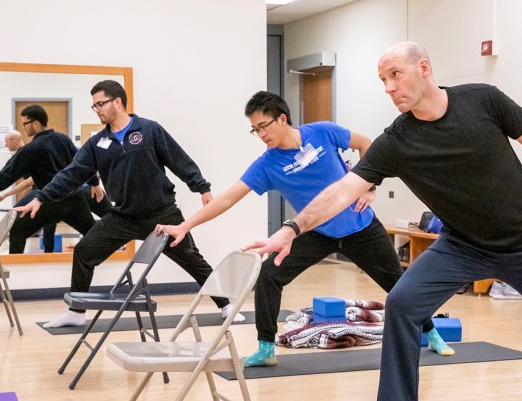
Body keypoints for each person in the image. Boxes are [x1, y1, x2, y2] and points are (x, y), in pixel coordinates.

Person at [246, 42, 522, 401]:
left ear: (424, 68)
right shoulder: (397, 141)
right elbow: (342, 191)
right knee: (402, 303)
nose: (389, 87)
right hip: (463, 245)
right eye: (383, 81)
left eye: (395, 76)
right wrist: (291, 228)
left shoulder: (483, 100)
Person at [156, 91, 454, 367]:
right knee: (269, 275)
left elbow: (367, 145)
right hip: (315, 233)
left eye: (264, 126)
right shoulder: (266, 165)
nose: (261, 135)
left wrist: (370, 185)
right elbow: (227, 199)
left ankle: (432, 334)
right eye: (255, 130)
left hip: (361, 227)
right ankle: (265, 348)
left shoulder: (323, 131)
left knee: (398, 285)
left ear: (281, 118)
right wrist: (185, 225)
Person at [15, 80, 243, 327]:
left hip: (161, 214)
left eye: (100, 104)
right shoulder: (97, 143)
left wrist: (201, 187)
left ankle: (226, 306)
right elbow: (71, 173)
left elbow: (179, 159)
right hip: (123, 216)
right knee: (83, 252)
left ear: (118, 102)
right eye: (94, 106)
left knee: (192, 259)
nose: (97, 110)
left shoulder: (149, 130)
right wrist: (41, 196)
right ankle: (76, 313)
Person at [0, 106, 104, 254]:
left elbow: (8, 174)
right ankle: (100, 265)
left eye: (25, 123)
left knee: (17, 230)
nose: (24, 127)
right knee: (93, 234)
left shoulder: (31, 149)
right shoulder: (63, 139)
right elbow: (83, 164)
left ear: (36, 124)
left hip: (49, 202)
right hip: (74, 199)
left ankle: (16, 269)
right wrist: (94, 183)